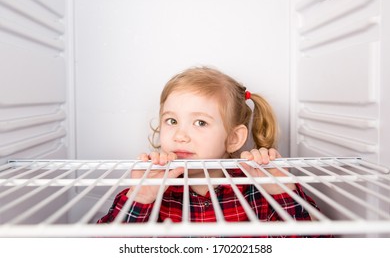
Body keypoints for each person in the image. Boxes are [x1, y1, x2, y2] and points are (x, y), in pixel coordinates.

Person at [97, 66, 322, 237]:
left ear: (233, 139)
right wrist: (141, 197)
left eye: (200, 123)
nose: (179, 135)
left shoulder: (256, 188)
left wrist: (281, 192)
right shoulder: (153, 187)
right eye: (172, 120)